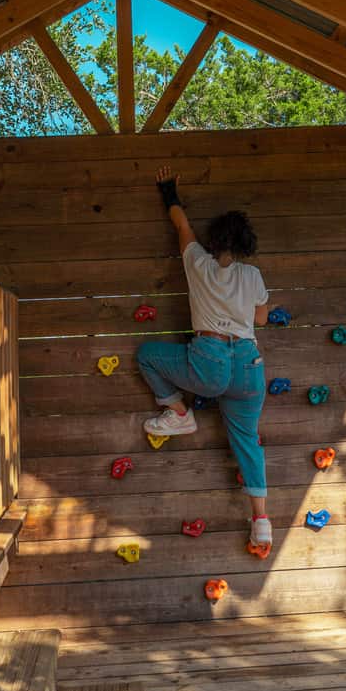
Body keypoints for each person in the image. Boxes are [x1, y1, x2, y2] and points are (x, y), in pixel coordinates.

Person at [136, 166, 272, 556]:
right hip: (249, 366)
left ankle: (179, 413)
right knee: (247, 442)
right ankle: (260, 523)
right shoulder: (253, 275)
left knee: (148, 355)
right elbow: (261, 319)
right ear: (246, 244)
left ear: (215, 240)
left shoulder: (198, 262)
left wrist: (167, 191)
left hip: (209, 362)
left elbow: (180, 224)